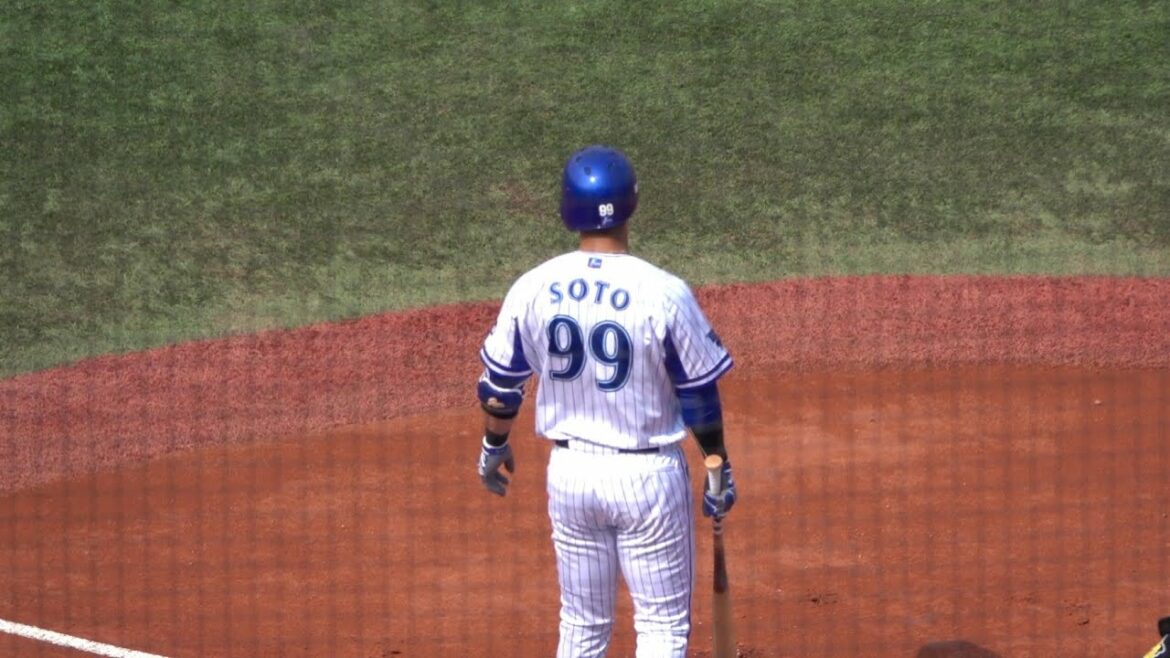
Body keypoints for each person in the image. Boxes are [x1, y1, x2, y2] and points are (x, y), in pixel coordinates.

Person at [474, 145, 738, 658]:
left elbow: (501, 389)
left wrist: (493, 445)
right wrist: (719, 465)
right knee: (661, 628)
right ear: (631, 204)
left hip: (571, 477)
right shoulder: (662, 291)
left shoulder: (533, 286)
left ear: (567, 207)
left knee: (581, 626)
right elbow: (698, 395)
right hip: (647, 481)